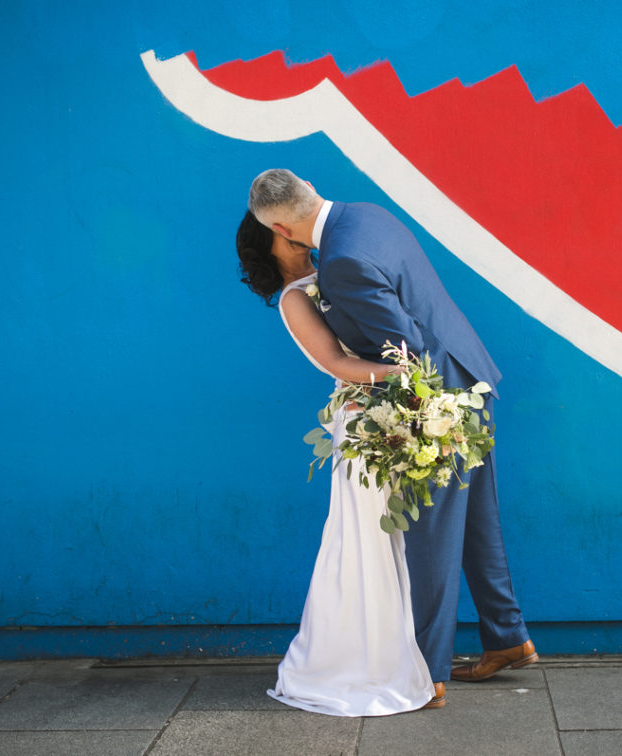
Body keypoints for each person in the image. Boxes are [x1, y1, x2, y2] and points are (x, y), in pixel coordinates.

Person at [247, 169, 536, 708]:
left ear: (282, 227)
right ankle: (510, 638)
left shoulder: (340, 262)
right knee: (476, 525)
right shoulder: (366, 215)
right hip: (469, 379)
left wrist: (417, 421)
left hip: (438, 403)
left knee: (430, 539)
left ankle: (429, 674)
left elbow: (407, 352)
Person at [235, 210, 435, 715]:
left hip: (387, 415)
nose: (293, 234)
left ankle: (402, 655)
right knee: (364, 543)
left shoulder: (338, 269)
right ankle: (355, 664)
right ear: (269, 243)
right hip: (363, 421)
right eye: (280, 232)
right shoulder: (296, 298)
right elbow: (337, 362)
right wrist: (404, 375)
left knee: (394, 542)